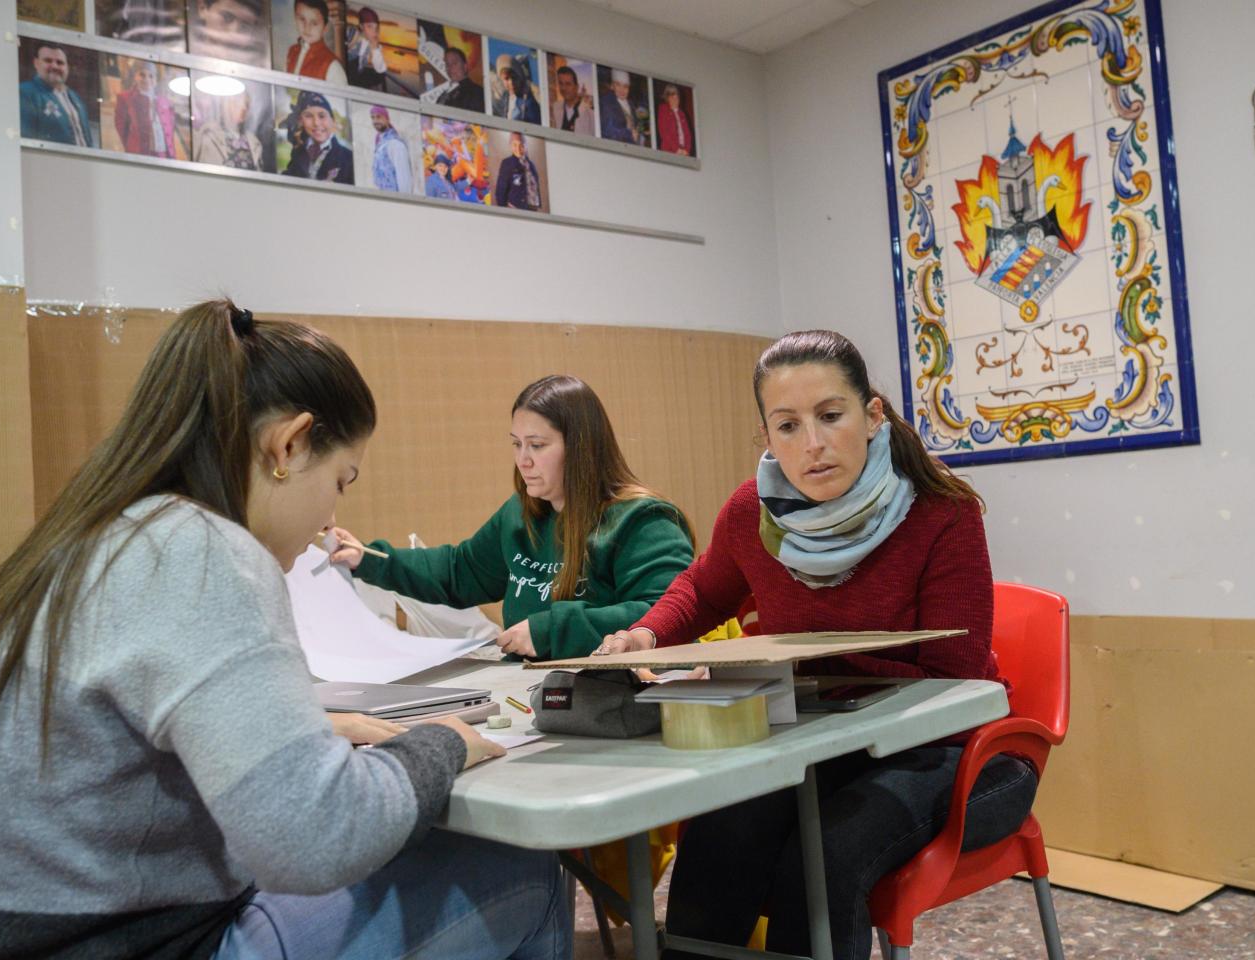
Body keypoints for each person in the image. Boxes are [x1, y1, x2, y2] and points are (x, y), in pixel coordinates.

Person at [0, 300, 570, 959]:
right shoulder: (202, 553)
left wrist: (311, 733)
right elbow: (314, 838)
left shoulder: (99, 534)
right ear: (289, 444)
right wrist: (440, 742)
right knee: (527, 872)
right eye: (341, 481)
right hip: (105, 943)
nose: (326, 524)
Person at [594, 330, 1039, 960]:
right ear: (767, 437)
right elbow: (703, 588)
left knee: (825, 855)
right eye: (788, 426)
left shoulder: (940, 510)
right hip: (822, 744)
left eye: (831, 416)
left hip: (952, 753)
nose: (813, 444)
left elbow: (955, 676)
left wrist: (823, 679)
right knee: (719, 834)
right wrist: (646, 634)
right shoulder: (755, 509)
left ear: (872, 414)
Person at [332, 375, 694, 662]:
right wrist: (370, 559)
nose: (523, 460)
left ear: (582, 449)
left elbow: (667, 613)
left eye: (537, 446)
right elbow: (460, 571)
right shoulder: (521, 513)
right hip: (533, 690)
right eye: (516, 444)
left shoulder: (644, 521)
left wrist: (551, 631)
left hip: (616, 695)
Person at [19, 43, 95, 146]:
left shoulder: (75, 98)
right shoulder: (25, 92)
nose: (54, 66)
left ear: (67, 67)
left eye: (60, 63)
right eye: (48, 60)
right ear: (36, 63)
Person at [282, 90, 353, 183]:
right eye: (308, 116)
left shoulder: (348, 158)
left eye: (322, 116)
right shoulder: (298, 153)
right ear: (301, 121)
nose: (316, 123)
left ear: (332, 120)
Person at [113, 59, 179, 158]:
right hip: (139, 153)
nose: (147, 79)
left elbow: (170, 128)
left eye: (151, 76)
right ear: (135, 76)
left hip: (163, 154)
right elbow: (122, 128)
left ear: (156, 80)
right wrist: (131, 147)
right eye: (142, 75)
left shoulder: (165, 101)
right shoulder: (125, 98)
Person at [194, 86, 263, 170]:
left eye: (247, 104)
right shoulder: (209, 136)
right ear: (225, 105)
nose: (244, 107)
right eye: (237, 102)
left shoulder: (254, 143)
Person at [189, 0, 269, 66]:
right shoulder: (183, 57)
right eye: (227, 17)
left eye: (245, 25)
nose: (234, 31)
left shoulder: (260, 68)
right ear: (202, 8)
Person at [285, 0, 346, 85]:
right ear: (295, 17)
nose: (307, 28)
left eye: (314, 23)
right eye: (302, 19)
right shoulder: (292, 52)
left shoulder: (332, 65)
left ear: (325, 27)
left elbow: (340, 97)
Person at [492, 132, 541, 211]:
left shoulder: (531, 165)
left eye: (521, 145)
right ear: (510, 145)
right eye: (514, 145)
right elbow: (500, 191)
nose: (518, 149)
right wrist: (505, 210)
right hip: (514, 209)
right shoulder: (507, 163)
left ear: (526, 146)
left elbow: (535, 190)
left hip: (531, 211)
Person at [368, 105, 411, 192]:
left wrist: (404, 203)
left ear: (387, 119)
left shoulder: (395, 144)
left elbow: (404, 178)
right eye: (373, 118)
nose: (375, 121)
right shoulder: (380, 144)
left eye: (379, 117)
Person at [491, 53, 540, 124]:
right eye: (506, 79)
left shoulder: (529, 99)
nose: (511, 82)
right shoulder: (505, 98)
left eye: (514, 78)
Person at [598, 68, 642, 145]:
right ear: (612, 86)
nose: (622, 90)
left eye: (625, 86)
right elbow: (607, 130)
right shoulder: (606, 102)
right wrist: (629, 134)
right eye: (618, 85)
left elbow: (638, 125)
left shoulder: (631, 104)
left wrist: (641, 131)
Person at [436, 46, 485, 112]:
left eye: (454, 63)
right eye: (447, 64)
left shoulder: (477, 92)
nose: (450, 67)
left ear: (465, 66)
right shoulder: (443, 96)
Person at [549, 64, 593, 134]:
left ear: (576, 87)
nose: (563, 88)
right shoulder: (554, 108)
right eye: (561, 83)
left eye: (568, 84)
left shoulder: (589, 114)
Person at [656, 82, 694, 157]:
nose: (675, 100)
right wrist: (676, 149)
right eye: (672, 98)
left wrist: (687, 150)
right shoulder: (663, 109)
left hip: (683, 151)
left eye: (677, 98)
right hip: (669, 151)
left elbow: (688, 134)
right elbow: (664, 132)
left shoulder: (682, 113)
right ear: (667, 98)